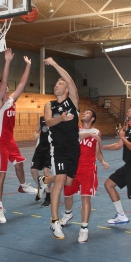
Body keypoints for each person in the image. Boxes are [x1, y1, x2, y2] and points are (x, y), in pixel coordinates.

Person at [0, 48, 37, 224]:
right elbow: (4, 82)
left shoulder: (11, 101)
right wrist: (8, 61)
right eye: (3, 88)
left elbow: (22, 85)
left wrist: (28, 66)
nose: (6, 88)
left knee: (19, 164)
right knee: (1, 174)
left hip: (10, 140)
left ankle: (23, 185)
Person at [37, 57, 80, 240]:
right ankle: (54, 221)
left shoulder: (73, 102)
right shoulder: (50, 105)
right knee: (61, 181)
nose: (57, 84)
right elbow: (48, 122)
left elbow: (69, 79)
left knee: (69, 182)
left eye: (59, 82)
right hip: (58, 148)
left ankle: (45, 179)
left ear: (67, 89)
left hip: (73, 148)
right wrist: (60, 119)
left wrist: (54, 64)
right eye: (55, 83)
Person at [60, 109, 109, 243]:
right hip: (73, 167)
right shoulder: (75, 128)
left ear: (92, 118)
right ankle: (68, 214)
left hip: (88, 169)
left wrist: (103, 160)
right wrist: (88, 134)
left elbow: (97, 151)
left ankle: (84, 229)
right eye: (84, 112)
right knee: (67, 195)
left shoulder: (97, 132)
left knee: (85, 198)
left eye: (87, 113)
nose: (84, 114)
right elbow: (72, 138)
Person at [102, 103, 131, 225]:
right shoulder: (128, 129)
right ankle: (121, 215)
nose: (129, 110)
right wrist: (102, 147)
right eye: (130, 108)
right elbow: (118, 145)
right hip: (128, 166)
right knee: (108, 184)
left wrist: (123, 137)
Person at [31, 116, 51, 207]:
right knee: (33, 170)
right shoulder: (42, 118)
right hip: (40, 148)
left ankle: (48, 197)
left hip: (50, 149)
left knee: (46, 172)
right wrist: (35, 133)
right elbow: (37, 130)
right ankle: (40, 187)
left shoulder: (57, 118)